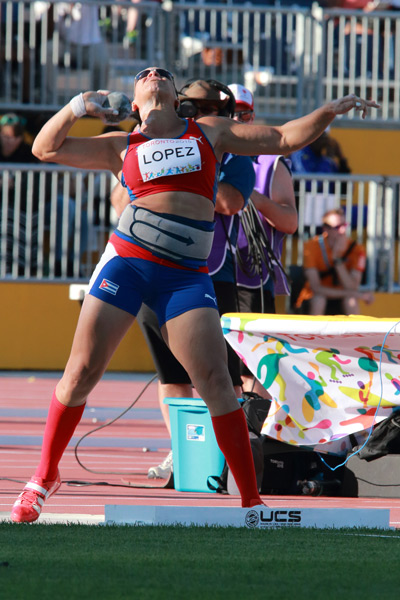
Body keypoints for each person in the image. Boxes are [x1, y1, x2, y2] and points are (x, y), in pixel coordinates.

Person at [9, 66, 378, 523]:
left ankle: (251, 502)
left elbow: (284, 139)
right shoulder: (121, 144)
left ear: (173, 94)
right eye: (144, 74)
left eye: (161, 72)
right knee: (81, 371)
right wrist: (77, 106)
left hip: (184, 276)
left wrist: (329, 111)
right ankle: (43, 477)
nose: (154, 74)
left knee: (217, 383)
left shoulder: (209, 131)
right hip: (129, 264)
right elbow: (44, 148)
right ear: (135, 103)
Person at [111, 78, 255, 479]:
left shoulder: (225, 145)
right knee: (170, 373)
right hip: (148, 266)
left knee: (223, 375)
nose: (198, 112)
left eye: (208, 107)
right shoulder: (142, 143)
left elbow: (230, 200)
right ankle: (183, 451)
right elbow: (121, 200)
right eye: (191, 104)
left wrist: (186, 168)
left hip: (210, 272)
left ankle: (226, 458)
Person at [227, 84, 298, 399]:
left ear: (252, 116)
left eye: (242, 114)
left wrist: (251, 196)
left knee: (253, 370)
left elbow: (290, 222)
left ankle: (254, 427)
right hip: (210, 273)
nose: (235, 119)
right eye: (229, 113)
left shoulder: (271, 162)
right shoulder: (204, 154)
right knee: (212, 365)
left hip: (251, 278)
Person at [295, 208, 374, 315]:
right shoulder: (311, 246)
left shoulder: (357, 249)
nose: (342, 230)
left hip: (343, 298)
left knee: (351, 301)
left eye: (344, 225)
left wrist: (337, 260)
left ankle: (354, 327)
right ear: (325, 229)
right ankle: (315, 327)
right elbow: (316, 288)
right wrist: (356, 294)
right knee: (319, 300)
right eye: (337, 227)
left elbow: (352, 287)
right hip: (315, 296)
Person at [0, 113, 40, 275]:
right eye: (6, 137)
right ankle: (5, 265)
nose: (10, 141)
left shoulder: (28, 154)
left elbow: (34, 185)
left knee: (23, 218)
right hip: (4, 205)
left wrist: (15, 184)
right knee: (6, 216)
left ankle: (24, 269)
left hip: (22, 204)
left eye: (15, 138)